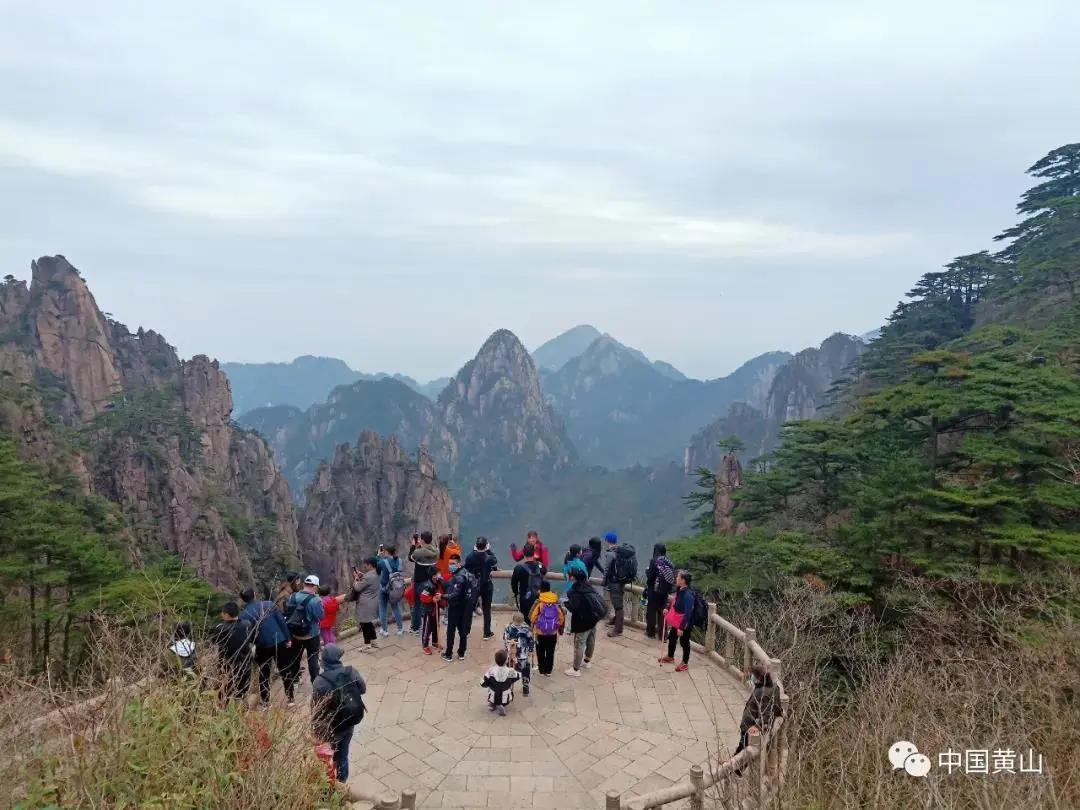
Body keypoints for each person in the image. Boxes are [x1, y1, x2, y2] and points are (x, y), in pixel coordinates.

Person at [311, 644, 367, 784]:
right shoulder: (351, 671)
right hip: (349, 720)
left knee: (328, 757)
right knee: (343, 754)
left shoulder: (320, 682)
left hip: (330, 726)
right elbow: (363, 689)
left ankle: (330, 784)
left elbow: (316, 709)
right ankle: (342, 782)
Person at [241, 587, 292, 707]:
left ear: (243, 600)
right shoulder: (269, 604)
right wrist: (288, 638)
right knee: (284, 669)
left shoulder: (243, 615)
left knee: (264, 673)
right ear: (254, 594)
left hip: (261, 646)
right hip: (278, 640)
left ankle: (265, 702)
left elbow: (247, 634)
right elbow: (281, 622)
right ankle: (290, 697)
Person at [283, 574, 325, 704]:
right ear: (315, 586)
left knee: (295, 660)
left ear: (305, 584)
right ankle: (316, 686)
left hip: (296, 635)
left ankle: (294, 684)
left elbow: (288, 613)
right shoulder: (315, 600)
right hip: (311, 634)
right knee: (313, 659)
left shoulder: (293, 596)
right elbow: (320, 616)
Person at [734, 666, 784, 761]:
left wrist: (758, 726)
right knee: (742, 745)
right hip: (749, 723)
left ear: (759, 677)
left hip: (751, 725)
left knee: (745, 747)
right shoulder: (770, 687)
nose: (751, 677)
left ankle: (736, 770)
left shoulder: (764, 692)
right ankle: (733, 763)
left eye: (752, 676)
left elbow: (767, 713)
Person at [564, 569, 606, 677]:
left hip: (583, 621)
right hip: (593, 618)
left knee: (579, 643)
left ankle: (575, 669)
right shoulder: (589, 587)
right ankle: (587, 661)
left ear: (573, 577)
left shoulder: (576, 591)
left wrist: (565, 604)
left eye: (570, 575)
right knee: (591, 639)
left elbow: (574, 607)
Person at [210, 601, 254, 703]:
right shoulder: (247, 625)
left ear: (226, 614)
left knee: (226, 693)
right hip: (245, 663)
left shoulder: (220, 628)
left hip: (227, 665)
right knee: (241, 692)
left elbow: (215, 642)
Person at [441, 552, 478, 662]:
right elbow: (475, 590)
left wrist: (443, 596)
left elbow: (454, 594)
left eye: (452, 563)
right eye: (449, 563)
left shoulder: (458, 578)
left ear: (458, 564)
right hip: (466, 607)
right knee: (463, 631)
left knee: (451, 631)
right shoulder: (468, 574)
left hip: (456, 607)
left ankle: (448, 654)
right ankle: (461, 653)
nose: (450, 566)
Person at [600, 531, 636, 638]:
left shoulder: (610, 553)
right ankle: (615, 620)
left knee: (618, 606)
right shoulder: (620, 551)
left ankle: (618, 629)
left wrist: (604, 581)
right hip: (622, 581)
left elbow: (607, 570)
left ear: (607, 541)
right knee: (618, 602)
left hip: (614, 582)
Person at [659, 570, 695, 672]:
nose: (676, 578)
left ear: (683, 580)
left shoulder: (688, 595)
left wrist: (681, 627)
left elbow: (688, 613)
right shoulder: (680, 589)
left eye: (678, 577)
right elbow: (675, 601)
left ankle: (685, 662)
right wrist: (668, 608)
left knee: (684, 642)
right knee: (672, 637)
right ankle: (670, 656)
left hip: (685, 622)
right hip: (677, 619)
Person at [528, 581, 565, 677]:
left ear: (541, 590)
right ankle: (548, 671)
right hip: (552, 633)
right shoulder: (556, 600)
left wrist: (537, 624)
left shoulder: (539, 601)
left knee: (540, 651)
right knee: (550, 651)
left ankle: (542, 670)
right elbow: (562, 616)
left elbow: (531, 617)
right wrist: (556, 625)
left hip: (540, 633)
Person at [464, 536, 498, 639]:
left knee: (469, 608)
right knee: (487, 609)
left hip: (474, 585)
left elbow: (466, 569)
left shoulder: (470, 557)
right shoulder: (489, 558)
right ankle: (487, 633)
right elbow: (494, 561)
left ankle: (466, 631)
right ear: (486, 546)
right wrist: (489, 550)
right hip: (486, 585)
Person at [408, 532, 438, 633]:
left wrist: (413, 546)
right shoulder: (436, 551)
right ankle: (430, 625)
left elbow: (410, 558)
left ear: (423, 540)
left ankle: (416, 627)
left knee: (417, 606)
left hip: (419, 582)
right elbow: (427, 551)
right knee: (428, 604)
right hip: (430, 582)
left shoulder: (418, 552)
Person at [644, 543, 675, 639]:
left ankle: (651, 633)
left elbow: (651, 578)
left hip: (654, 591)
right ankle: (663, 635)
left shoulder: (654, 561)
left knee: (651, 612)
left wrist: (648, 574)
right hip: (665, 592)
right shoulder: (669, 562)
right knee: (662, 613)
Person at [511, 543, 547, 622]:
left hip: (524, 599)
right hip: (538, 598)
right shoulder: (541, 567)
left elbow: (514, 584)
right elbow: (544, 575)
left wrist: (516, 592)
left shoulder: (518, 568)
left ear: (523, 553)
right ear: (534, 553)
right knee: (537, 620)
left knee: (526, 620)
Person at [352, 558, 381, 652]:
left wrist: (356, 579)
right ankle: (374, 641)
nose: (365, 566)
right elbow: (369, 580)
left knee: (364, 624)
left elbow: (357, 588)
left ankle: (367, 644)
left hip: (365, 603)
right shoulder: (377, 573)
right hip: (373, 601)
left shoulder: (368, 577)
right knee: (368, 623)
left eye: (366, 564)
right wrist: (363, 576)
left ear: (370, 565)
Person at [502, 612, 534, 696]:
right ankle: (510, 688)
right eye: (517, 623)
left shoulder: (525, 628)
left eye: (519, 624)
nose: (518, 625)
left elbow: (530, 640)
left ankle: (525, 686)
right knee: (512, 671)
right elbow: (505, 638)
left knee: (523, 670)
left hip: (521, 654)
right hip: (513, 654)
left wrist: (531, 649)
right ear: (513, 621)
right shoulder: (509, 628)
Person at [481, 648, 520, 717]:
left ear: (496, 661)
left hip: (494, 694)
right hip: (505, 696)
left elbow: (485, 682)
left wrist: (483, 683)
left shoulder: (491, 670)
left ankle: (493, 704)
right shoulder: (510, 671)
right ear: (506, 661)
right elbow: (518, 675)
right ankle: (501, 704)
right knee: (506, 691)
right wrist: (516, 664)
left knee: (492, 691)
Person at [376, 545, 405, 637]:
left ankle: (384, 630)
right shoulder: (400, 561)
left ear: (387, 552)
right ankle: (400, 629)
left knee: (383, 609)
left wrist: (378, 556)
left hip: (384, 588)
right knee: (396, 607)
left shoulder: (382, 562)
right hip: (396, 587)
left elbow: (377, 571)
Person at [417, 572, 445, 655]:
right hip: (428, 609)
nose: (439, 575)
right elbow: (423, 597)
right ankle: (425, 645)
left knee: (436, 626)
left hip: (436, 608)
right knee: (427, 628)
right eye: (437, 573)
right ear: (433, 576)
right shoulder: (427, 585)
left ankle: (435, 642)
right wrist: (432, 599)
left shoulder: (438, 582)